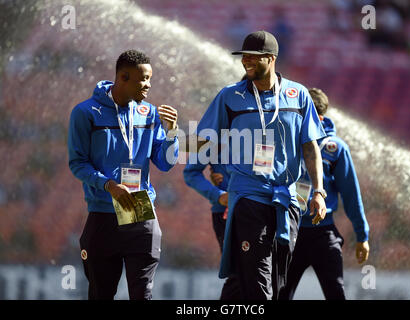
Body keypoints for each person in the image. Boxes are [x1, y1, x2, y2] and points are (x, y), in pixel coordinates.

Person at [193, 30, 327, 300]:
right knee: (257, 280)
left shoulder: (298, 95)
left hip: (287, 199)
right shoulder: (230, 96)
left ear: (271, 58)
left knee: (279, 282)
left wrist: (318, 191)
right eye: (244, 58)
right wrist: (168, 140)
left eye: (252, 58)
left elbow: (310, 148)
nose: (245, 62)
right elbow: (202, 139)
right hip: (247, 196)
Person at [67, 49, 179, 300]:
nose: (149, 85)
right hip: (103, 212)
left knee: (143, 294)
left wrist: (172, 133)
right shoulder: (85, 113)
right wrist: (109, 186)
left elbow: (165, 163)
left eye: (150, 79)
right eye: (144, 79)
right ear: (123, 77)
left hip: (140, 210)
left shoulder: (149, 113)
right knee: (101, 294)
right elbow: (78, 163)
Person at [278, 88, 370, 300]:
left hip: (323, 233)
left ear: (318, 117)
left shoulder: (335, 149)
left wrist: (362, 235)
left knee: (336, 294)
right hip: (290, 231)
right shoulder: (285, 144)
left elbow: (351, 194)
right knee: (280, 295)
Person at [183, 155, 241, 299]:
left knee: (260, 272)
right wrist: (218, 195)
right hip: (226, 212)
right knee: (238, 274)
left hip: (262, 208)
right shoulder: (213, 132)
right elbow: (190, 173)